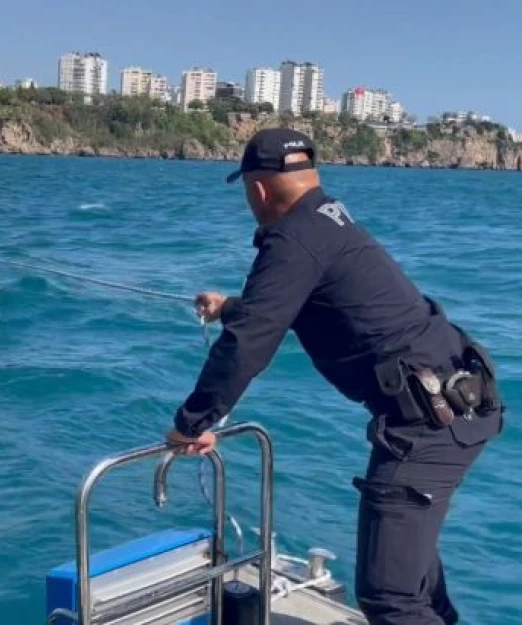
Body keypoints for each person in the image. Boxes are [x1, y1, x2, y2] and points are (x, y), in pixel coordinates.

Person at [165, 128, 504, 625]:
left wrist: (191, 424)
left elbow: (249, 344)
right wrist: (232, 306)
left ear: (257, 190)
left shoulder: (293, 239)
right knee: (413, 582)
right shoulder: (329, 219)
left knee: (391, 598)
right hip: (457, 401)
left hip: (427, 424)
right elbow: (306, 302)